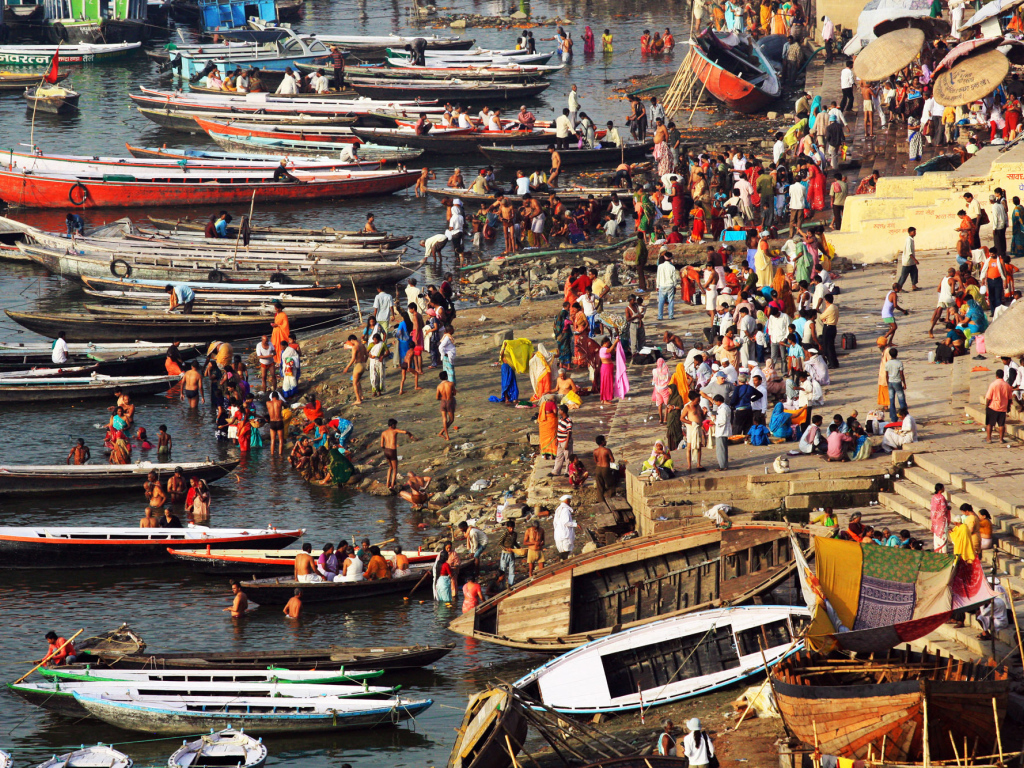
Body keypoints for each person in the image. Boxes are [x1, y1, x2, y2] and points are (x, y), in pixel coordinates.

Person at [380, 418, 413, 490]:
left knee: (390, 467)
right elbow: (405, 432)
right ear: (392, 425)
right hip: (392, 451)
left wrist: (386, 449)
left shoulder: (383, 433)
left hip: (386, 451)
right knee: (395, 468)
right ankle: (392, 485)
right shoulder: (395, 430)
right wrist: (410, 434)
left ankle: (387, 484)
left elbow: (382, 445)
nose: (395, 426)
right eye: (395, 425)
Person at [985, 369, 1013, 443]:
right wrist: (1008, 407)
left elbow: (988, 397)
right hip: (1003, 407)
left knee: (990, 424)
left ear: (996, 376)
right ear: (1003, 376)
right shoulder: (1007, 385)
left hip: (993, 406)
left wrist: (987, 405)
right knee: (1001, 424)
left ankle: (989, 439)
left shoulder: (993, 384)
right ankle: (1001, 439)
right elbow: (1010, 398)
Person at [553, 494, 577, 559]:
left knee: (563, 553)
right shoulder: (565, 510)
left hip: (559, 535)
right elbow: (566, 522)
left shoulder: (558, 509)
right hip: (565, 536)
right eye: (569, 501)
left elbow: (555, 523)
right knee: (566, 553)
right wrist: (576, 524)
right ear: (567, 501)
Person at [552, 404, 573, 476]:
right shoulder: (561, 419)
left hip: (565, 441)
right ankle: (556, 471)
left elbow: (569, 432)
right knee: (559, 456)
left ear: (562, 411)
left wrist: (567, 443)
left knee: (568, 457)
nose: (558, 411)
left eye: (560, 410)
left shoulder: (568, 420)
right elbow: (559, 430)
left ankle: (568, 471)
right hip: (560, 441)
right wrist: (557, 439)